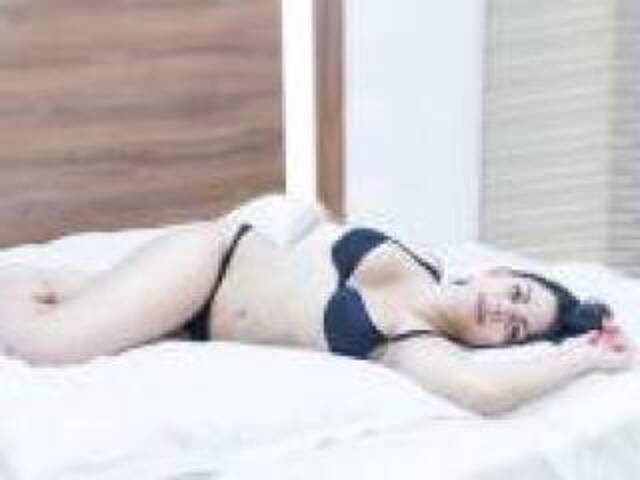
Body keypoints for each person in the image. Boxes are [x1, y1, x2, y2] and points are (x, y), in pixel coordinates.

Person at [0, 195, 636, 415]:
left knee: (53, 291)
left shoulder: (415, 344)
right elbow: (319, 225)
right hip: (209, 263)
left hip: (193, 325)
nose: (503, 313)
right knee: (43, 345)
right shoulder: (423, 258)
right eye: (516, 295)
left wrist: (583, 357)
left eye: (515, 330)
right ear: (495, 273)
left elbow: (486, 393)